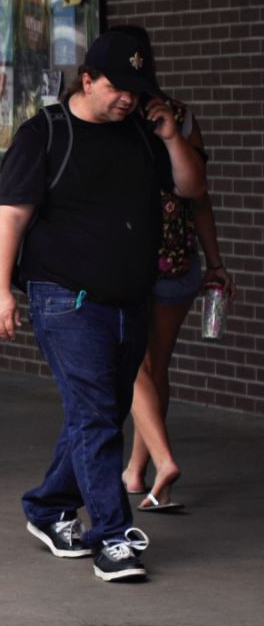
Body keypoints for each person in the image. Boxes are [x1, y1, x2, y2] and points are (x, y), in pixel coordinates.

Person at [0, 31, 206, 582]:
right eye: (117, 88)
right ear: (87, 80)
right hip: (64, 297)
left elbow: (191, 188)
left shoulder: (143, 133)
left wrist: (172, 137)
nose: (128, 99)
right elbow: (10, 219)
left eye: (137, 89)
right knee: (94, 411)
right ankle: (111, 536)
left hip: (130, 298)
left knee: (99, 410)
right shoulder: (44, 134)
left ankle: (47, 505)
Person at [108, 27, 236, 511]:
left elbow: (197, 193)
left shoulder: (173, 118)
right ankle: (141, 470)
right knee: (146, 366)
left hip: (162, 262)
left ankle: (150, 464)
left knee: (145, 366)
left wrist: (217, 262)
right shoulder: (119, 116)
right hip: (145, 261)